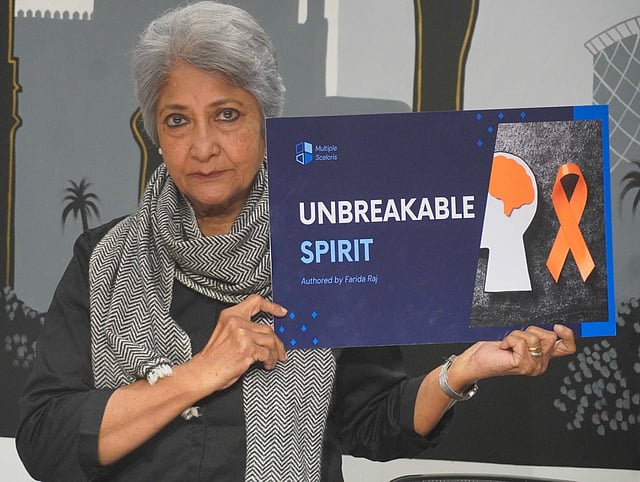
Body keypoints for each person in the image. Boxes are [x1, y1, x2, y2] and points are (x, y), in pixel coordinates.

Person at [15, 2, 576, 481]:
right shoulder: (102, 259)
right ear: (155, 134)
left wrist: (463, 371)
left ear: (267, 123)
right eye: (178, 120)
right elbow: (45, 440)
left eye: (227, 115)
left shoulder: (325, 243)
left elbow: (372, 423)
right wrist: (200, 373)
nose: (203, 146)